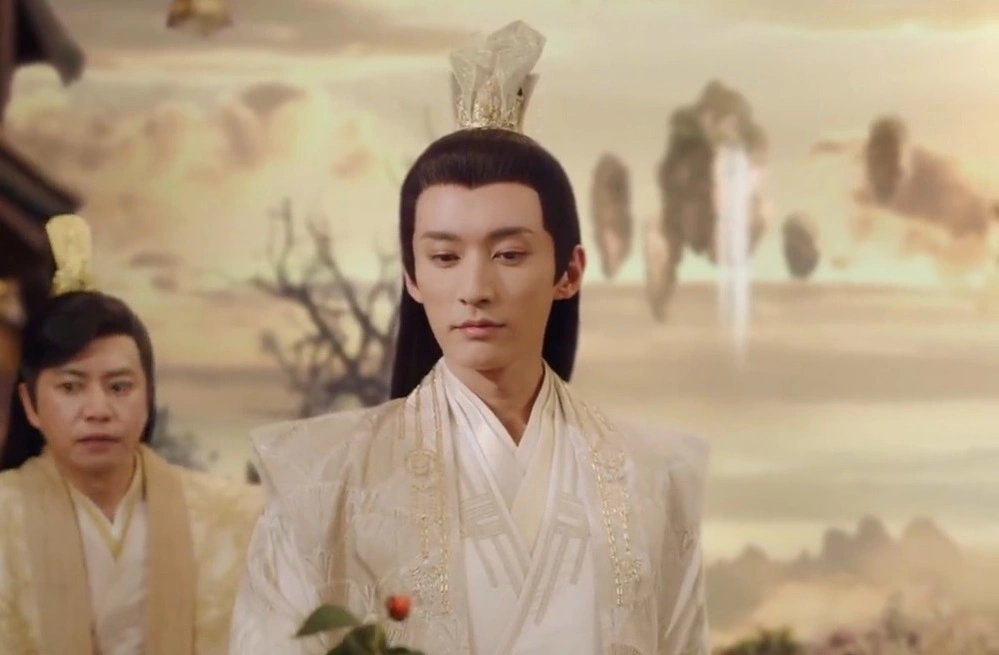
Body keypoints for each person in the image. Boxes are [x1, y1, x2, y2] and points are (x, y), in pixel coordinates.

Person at [230, 20, 711, 655]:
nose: (475, 288)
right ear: (412, 275)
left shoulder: (653, 474)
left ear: (568, 272)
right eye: (445, 257)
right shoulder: (321, 479)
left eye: (509, 254)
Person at [0, 213, 265, 655]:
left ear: (148, 398)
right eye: (71, 387)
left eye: (119, 387)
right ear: (30, 404)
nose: (98, 410)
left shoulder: (231, 518)